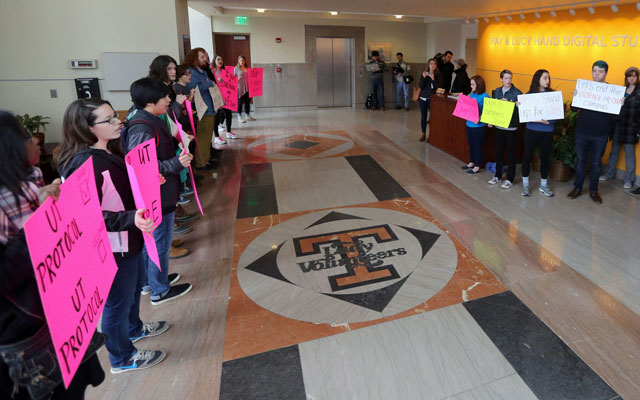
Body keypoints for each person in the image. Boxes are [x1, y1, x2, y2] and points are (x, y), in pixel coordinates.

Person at [55, 99, 168, 374]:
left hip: (130, 237)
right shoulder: (84, 164)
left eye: (114, 117)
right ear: (87, 128)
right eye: (108, 120)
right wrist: (131, 218)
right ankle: (121, 357)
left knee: (131, 291)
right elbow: (87, 214)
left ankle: (135, 328)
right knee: (117, 302)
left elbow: (118, 189)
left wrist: (148, 182)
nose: (119, 122)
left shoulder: (106, 151)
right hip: (112, 245)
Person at [0, 110, 105, 398]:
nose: (35, 139)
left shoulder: (28, 184)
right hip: (30, 335)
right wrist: (38, 225)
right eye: (24, 136)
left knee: (75, 388)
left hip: (62, 319)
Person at [122, 77, 193, 305]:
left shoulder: (148, 119)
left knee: (153, 243)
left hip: (159, 193)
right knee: (159, 244)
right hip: (156, 197)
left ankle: (150, 281)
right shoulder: (142, 128)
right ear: (151, 100)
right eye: (165, 97)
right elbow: (142, 167)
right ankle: (160, 290)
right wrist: (176, 164)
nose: (169, 100)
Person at [567, 60, 616, 204]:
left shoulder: (611, 92)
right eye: (595, 70)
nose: (597, 74)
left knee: (595, 163)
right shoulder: (584, 88)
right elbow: (574, 110)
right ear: (591, 72)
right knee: (581, 162)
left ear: (606, 73)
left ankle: (594, 191)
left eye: (601, 71)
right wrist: (575, 97)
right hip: (582, 132)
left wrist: (619, 105)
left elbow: (616, 116)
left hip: (600, 135)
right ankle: (577, 188)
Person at [520, 69, 561, 197]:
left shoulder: (553, 96)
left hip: (547, 131)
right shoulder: (528, 95)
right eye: (545, 78)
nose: (547, 81)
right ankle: (525, 184)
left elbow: (557, 115)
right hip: (531, 130)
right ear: (537, 79)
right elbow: (524, 115)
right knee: (527, 156)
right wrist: (521, 108)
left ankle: (543, 185)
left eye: (548, 78)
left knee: (545, 158)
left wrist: (548, 121)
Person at [600, 66, 639, 191]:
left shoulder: (639, 92)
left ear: (637, 77)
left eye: (634, 75)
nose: (632, 78)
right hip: (618, 125)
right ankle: (609, 174)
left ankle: (629, 179)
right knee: (614, 151)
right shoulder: (620, 90)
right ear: (626, 77)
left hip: (631, 127)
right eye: (629, 75)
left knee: (629, 154)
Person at [184, 48, 219, 168]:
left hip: (209, 108)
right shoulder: (192, 73)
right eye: (202, 57)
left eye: (205, 56)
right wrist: (208, 83)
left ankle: (206, 159)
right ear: (195, 59)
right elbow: (194, 89)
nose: (205, 59)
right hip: (202, 110)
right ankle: (201, 163)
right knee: (203, 137)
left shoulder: (203, 71)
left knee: (208, 137)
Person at [488, 69, 522, 188]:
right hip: (498, 126)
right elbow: (493, 108)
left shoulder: (517, 93)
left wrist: (511, 105)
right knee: (499, 151)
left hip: (511, 127)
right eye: (506, 78)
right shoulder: (496, 91)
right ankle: (497, 175)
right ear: (501, 79)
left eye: (510, 78)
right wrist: (490, 121)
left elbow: (520, 112)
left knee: (512, 153)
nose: (508, 80)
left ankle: (510, 179)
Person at [461, 75, 490, 174]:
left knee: (477, 146)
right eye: (471, 84)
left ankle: (477, 166)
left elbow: (487, 112)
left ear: (478, 84)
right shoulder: (472, 94)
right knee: (471, 144)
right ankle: (471, 162)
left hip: (479, 126)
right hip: (469, 124)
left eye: (473, 84)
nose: (471, 86)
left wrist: (479, 118)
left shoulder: (485, 96)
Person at [213, 55, 237, 140]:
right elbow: (210, 84)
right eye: (218, 59)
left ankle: (229, 132)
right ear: (214, 61)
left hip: (225, 96)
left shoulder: (225, 71)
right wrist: (217, 81)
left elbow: (230, 83)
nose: (220, 61)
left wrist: (232, 78)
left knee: (228, 114)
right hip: (216, 97)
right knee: (216, 116)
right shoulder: (212, 72)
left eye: (221, 59)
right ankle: (217, 136)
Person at [418, 58, 441, 142]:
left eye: (434, 64)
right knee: (423, 117)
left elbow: (438, 88)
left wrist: (433, 79)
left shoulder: (438, 74)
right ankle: (423, 133)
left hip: (432, 99)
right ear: (428, 65)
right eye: (431, 63)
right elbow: (420, 85)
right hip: (423, 98)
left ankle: (431, 135)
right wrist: (424, 77)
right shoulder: (424, 73)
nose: (433, 65)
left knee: (433, 117)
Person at [235, 55, 255, 123]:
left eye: (243, 60)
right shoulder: (236, 69)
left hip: (248, 87)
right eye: (240, 60)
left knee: (247, 103)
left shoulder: (248, 68)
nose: (242, 61)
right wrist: (237, 79)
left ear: (245, 61)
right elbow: (232, 79)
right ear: (238, 61)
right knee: (240, 103)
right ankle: (239, 117)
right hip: (240, 88)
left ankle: (247, 116)